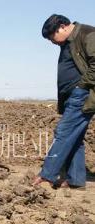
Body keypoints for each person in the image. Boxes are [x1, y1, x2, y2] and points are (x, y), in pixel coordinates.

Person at [33, 14, 95, 188]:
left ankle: (48, 175)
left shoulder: (87, 34)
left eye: (52, 36)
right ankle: (75, 180)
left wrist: (81, 87)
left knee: (64, 132)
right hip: (72, 96)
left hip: (83, 94)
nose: (52, 41)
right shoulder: (68, 42)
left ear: (62, 26)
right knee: (75, 137)